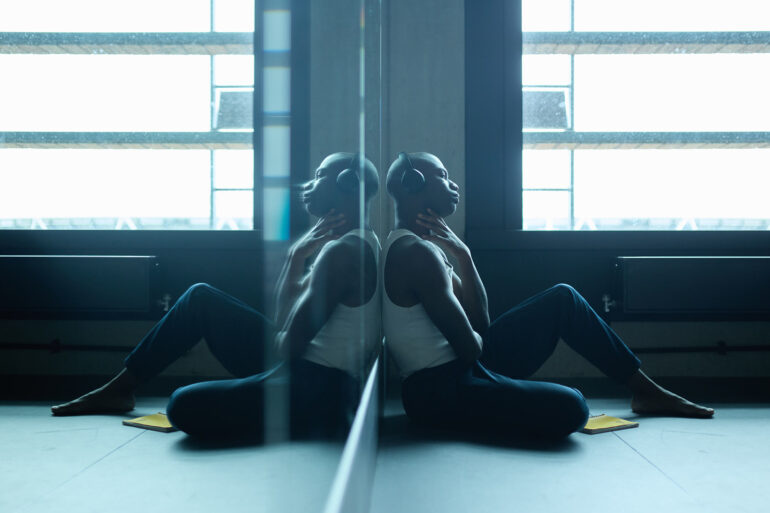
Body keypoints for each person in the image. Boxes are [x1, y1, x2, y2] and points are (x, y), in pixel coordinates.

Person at [382, 151, 713, 439]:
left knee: (562, 299)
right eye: (442, 176)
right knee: (572, 405)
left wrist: (465, 257)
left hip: (460, 368)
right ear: (414, 184)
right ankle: (506, 397)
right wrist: (478, 341)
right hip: (440, 390)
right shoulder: (415, 254)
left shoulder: (424, 247)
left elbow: (481, 328)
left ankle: (645, 392)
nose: (453, 185)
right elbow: (471, 348)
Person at [52, 152, 381, 439]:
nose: (309, 184)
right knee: (201, 298)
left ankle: (269, 399)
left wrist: (275, 343)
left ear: (347, 184)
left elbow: (285, 346)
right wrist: (296, 257)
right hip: (305, 364)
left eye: (320, 175)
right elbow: (285, 326)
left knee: (182, 403)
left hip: (317, 386)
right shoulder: (352, 242)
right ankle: (120, 389)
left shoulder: (343, 253)